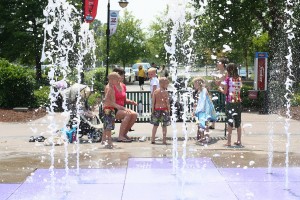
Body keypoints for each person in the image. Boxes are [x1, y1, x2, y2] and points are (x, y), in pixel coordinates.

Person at [219, 63, 243, 147]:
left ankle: (228, 142)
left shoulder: (228, 79)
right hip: (238, 102)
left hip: (230, 102)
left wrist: (220, 89)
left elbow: (225, 92)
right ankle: (239, 141)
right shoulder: (239, 79)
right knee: (238, 122)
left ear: (228, 70)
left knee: (229, 121)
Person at [112, 67, 138, 142]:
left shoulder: (123, 86)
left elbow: (123, 99)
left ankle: (124, 134)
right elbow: (110, 101)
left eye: (123, 76)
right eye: (121, 76)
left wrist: (131, 101)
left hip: (121, 108)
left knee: (134, 114)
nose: (123, 78)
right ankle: (120, 136)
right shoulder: (111, 86)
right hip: (113, 108)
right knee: (128, 114)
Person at [102, 72, 125, 148]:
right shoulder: (110, 88)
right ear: (111, 80)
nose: (119, 81)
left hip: (109, 108)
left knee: (106, 125)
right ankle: (109, 142)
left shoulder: (110, 87)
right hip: (108, 109)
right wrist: (117, 106)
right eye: (117, 79)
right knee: (109, 126)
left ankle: (103, 140)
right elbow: (107, 100)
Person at [193, 77, 218, 145]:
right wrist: (195, 109)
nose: (194, 85)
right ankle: (202, 137)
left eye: (195, 84)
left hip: (205, 110)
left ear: (198, 84)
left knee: (205, 124)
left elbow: (205, 100)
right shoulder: (199, 91)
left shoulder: (204, 90)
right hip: (201, 110)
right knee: (201, 124)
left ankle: (207, 137)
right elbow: (197, 102)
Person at [150, 77, 170, 144]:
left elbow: (153, 102)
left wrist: (152, 110)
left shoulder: (155, 91)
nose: (167, 85)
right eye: (167, 84)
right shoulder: (165, 92)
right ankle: (164, 140)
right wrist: (169, 110)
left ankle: (153, 139)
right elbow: (167, 103)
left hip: (156, 110)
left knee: (155, 125)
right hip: (164, 110)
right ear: (163, 84)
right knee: (164, 126)